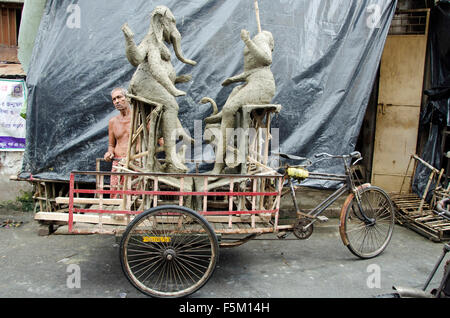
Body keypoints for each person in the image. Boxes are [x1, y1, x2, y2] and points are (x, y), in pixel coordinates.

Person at [104, 87, 131, 198]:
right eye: (114, 99)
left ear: (128, 98)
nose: (117, 101)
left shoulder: (140, 118)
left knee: (134, 196)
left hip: (135, 164)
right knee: (116, 195)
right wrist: (109, 153)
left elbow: (158, 139)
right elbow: (111, 145)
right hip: (118, 163)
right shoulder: (113, 122)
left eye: (119, 97)